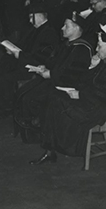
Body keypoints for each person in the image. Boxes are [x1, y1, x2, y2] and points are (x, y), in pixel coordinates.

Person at [31, 29, 106, 164]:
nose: (96, 49)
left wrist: (80, 94)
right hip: (91, 102)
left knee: (55, 102)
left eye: (99, 46)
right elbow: (87, 83)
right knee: (54, 95)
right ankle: (50, 145)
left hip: (100, 110)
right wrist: (91, 66)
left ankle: (52, 148)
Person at [14, 13, 93, 141]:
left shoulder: (82, 49)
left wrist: (51, 74)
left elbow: (74, 75)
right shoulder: (68, 44)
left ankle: (38, 132)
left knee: (32, 98)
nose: (62, 28)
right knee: (24, 92)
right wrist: (44, 67)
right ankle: (32, 130)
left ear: (77, 29)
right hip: (55, 80)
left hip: (66, 87)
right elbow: (56, 63)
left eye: (66, 26)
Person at [0, 0, 60, 116]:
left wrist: (19, 55)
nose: (29, 20)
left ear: (38, 16)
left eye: (31, 17)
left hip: (31, 67)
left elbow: (41, 58)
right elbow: (22, 46)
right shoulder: (33, 29)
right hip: (21, 61)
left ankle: (6, 108)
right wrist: (11, 50)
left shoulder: (49, 33)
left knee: (3, 77)